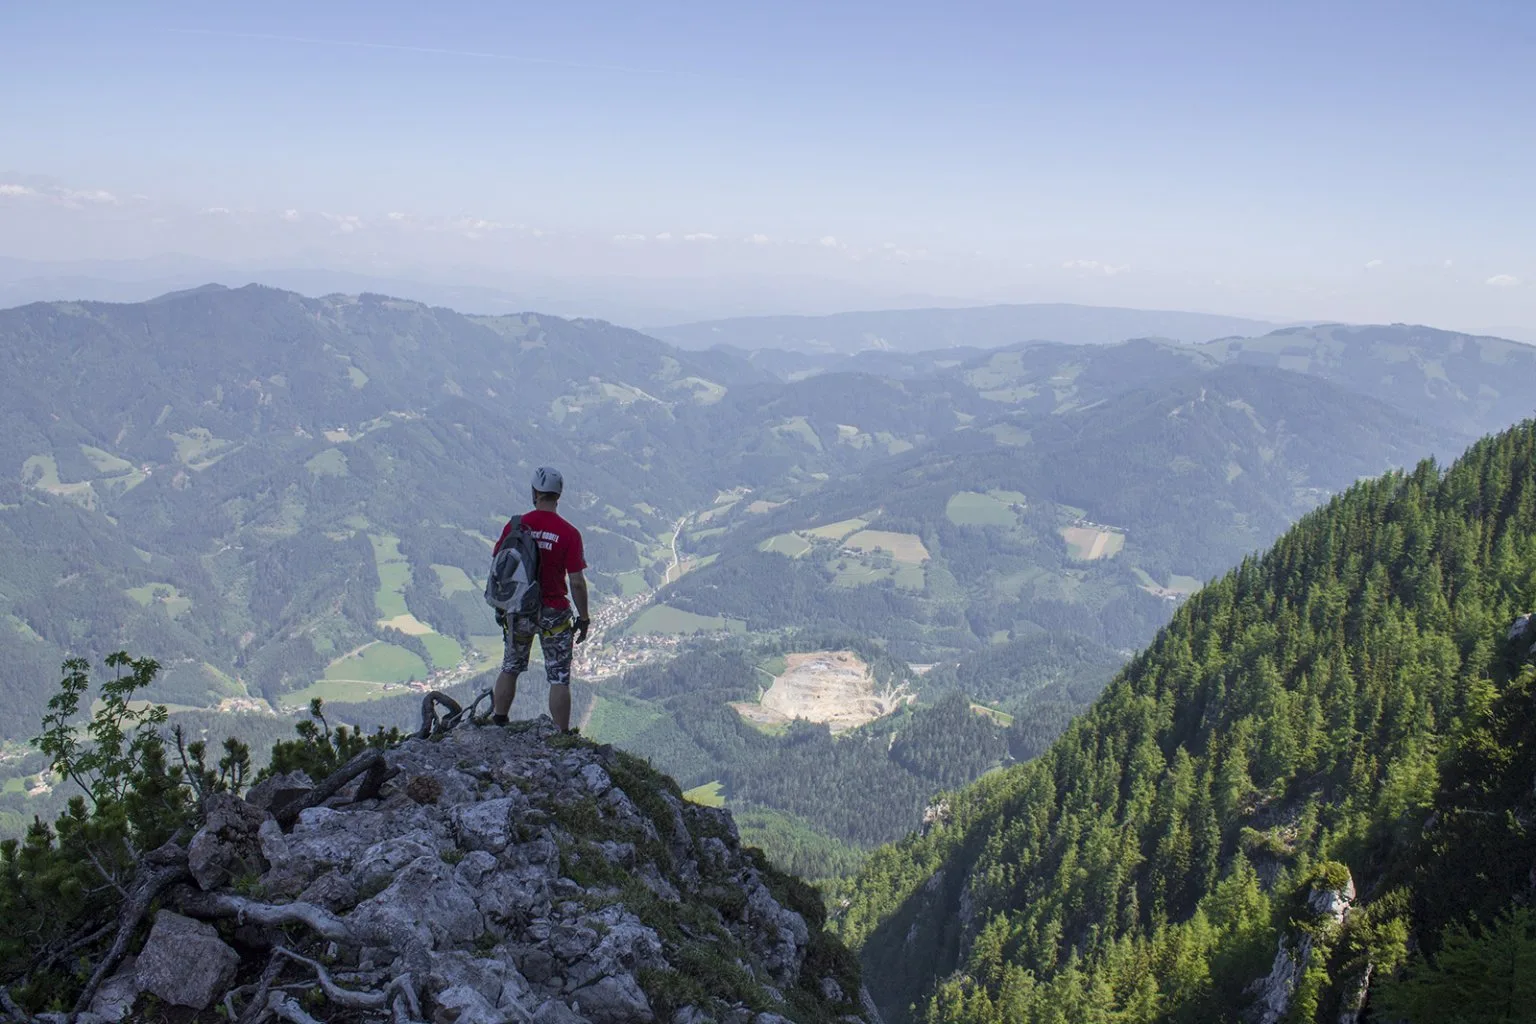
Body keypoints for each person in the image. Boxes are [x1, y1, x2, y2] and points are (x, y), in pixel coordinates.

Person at [491, 466, 590, 732]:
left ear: (535, 492)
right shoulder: (569, 533)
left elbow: (499, 563)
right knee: (558, 677)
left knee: (510, 665)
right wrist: (584, 618)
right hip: (553, 612)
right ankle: (561, 733)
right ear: (558, 496)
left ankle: (499, 719)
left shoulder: (516, 525)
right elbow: (577, 582)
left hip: (519, 607)